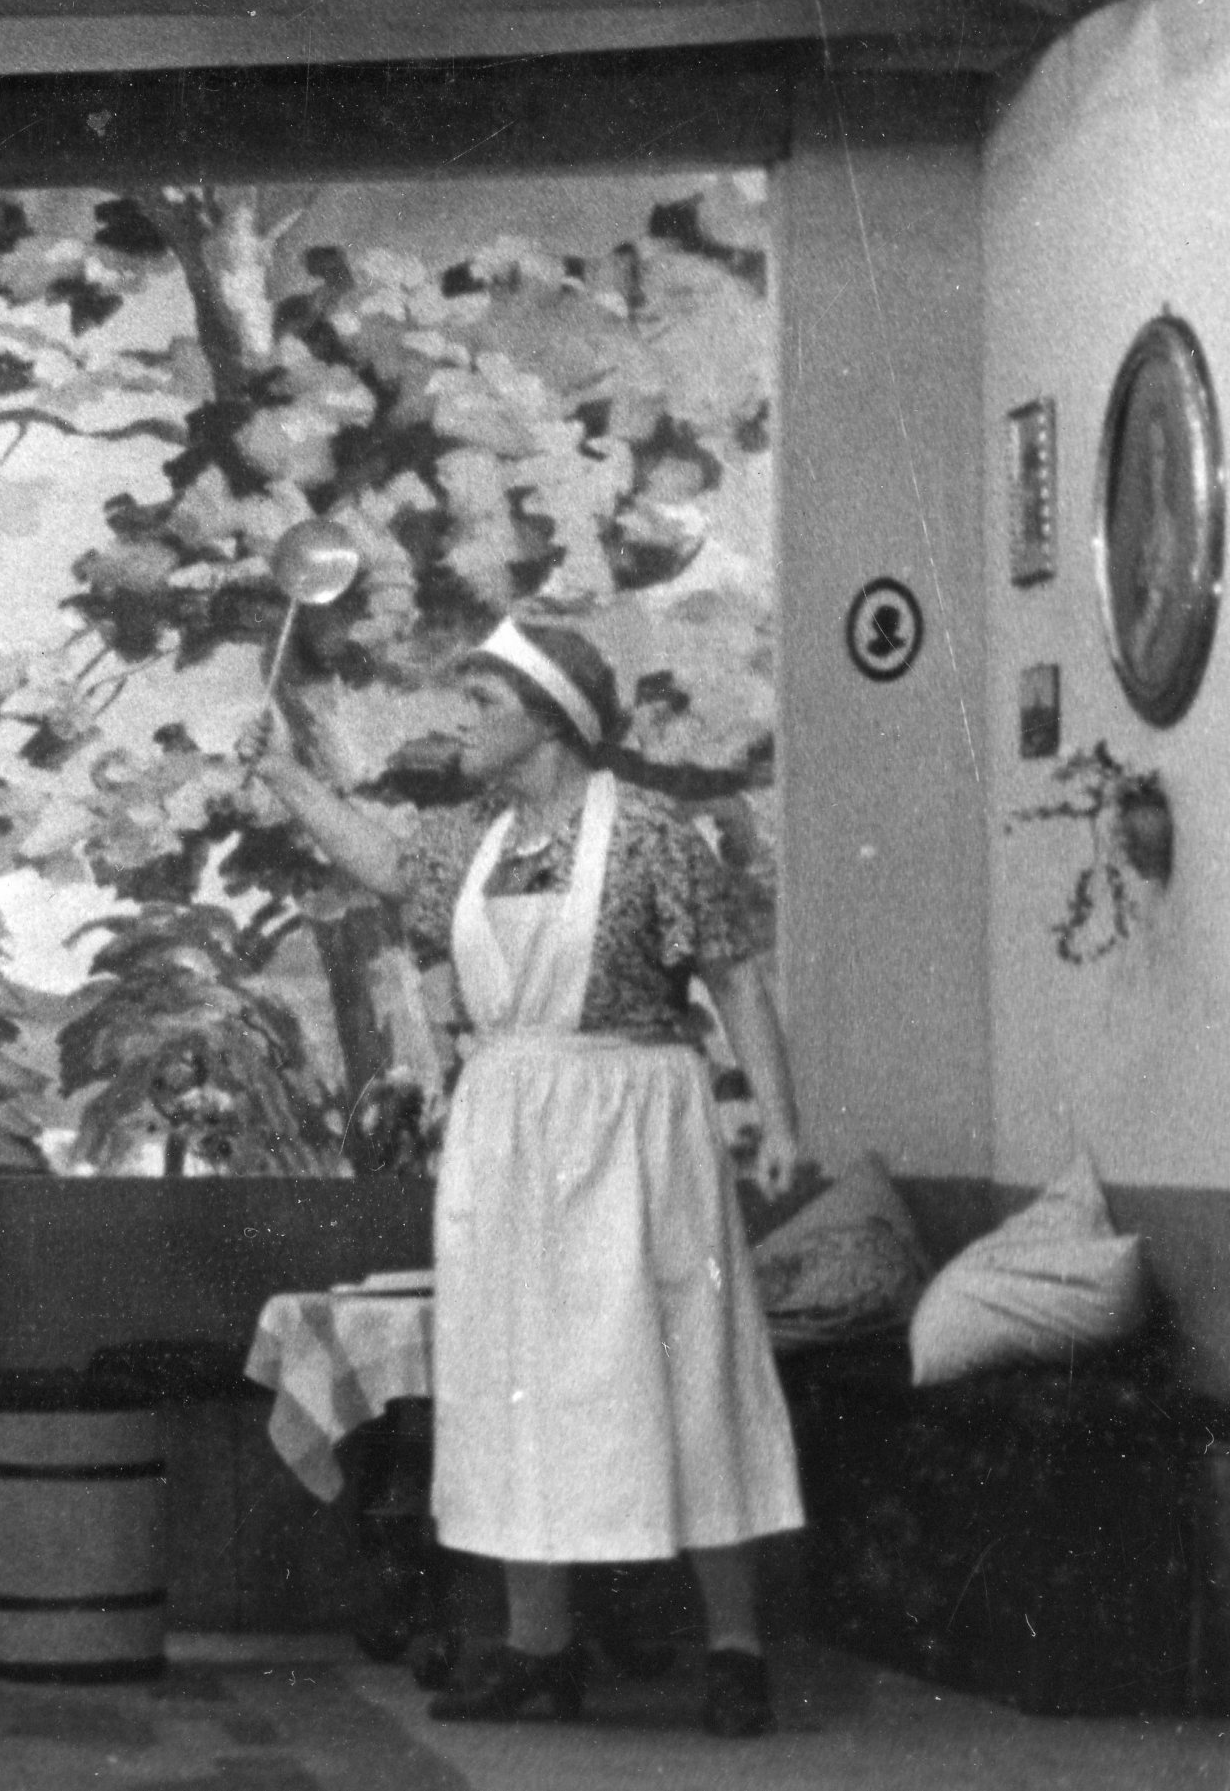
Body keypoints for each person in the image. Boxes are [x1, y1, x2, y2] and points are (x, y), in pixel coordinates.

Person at [250, 618, 807, 1739]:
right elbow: (383, 866)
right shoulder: (476, 839)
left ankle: (735, 1650)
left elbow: (735, 979)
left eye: (482, 703)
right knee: (512, 1378)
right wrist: (285, 778)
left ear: (549, 721)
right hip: (506, 1125)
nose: (461, 722)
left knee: (686, 1369)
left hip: (634, 1124)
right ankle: (537, 1648)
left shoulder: (649, 833)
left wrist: (781, 1118)